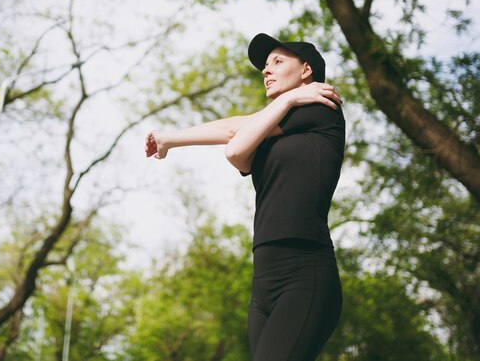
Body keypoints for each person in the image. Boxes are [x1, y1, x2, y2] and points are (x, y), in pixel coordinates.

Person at [144, 33, 345, 361]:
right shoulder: (276, 124)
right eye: (265, 66)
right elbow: (237, 137)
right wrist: (169, 139)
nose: (266, 71)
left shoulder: (323, 107)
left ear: (307, 70)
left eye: (278, 62)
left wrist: (290, 100)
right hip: (264, 280)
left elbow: (234, 146)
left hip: (305, 271)